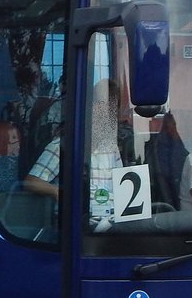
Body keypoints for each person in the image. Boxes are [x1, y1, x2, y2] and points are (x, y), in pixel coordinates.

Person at [24, 80, 124, 224]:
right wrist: (60, 192)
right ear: (89, 108)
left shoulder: (111, 148)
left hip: (110, 223)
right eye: (100, 106)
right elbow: (31, 182)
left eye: (110, 109)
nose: (105, 114)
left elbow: (121, 187)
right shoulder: (63, 145)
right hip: (77, 225)